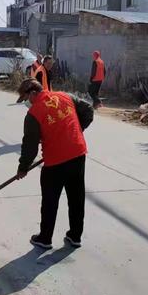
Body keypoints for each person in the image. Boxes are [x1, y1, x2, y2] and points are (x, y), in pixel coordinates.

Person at [16, 78, 94, 249]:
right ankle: (75, 236)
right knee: (76, 197)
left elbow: (30, 146)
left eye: (26, 99)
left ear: (33, 93)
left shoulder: (33, 114)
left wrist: (23, 168)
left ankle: (45, 238)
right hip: (78, 153)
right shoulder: (65, 96)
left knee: (50, 200)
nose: (27, 103)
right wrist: (75, 131)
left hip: (56, 161)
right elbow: (88, 109)